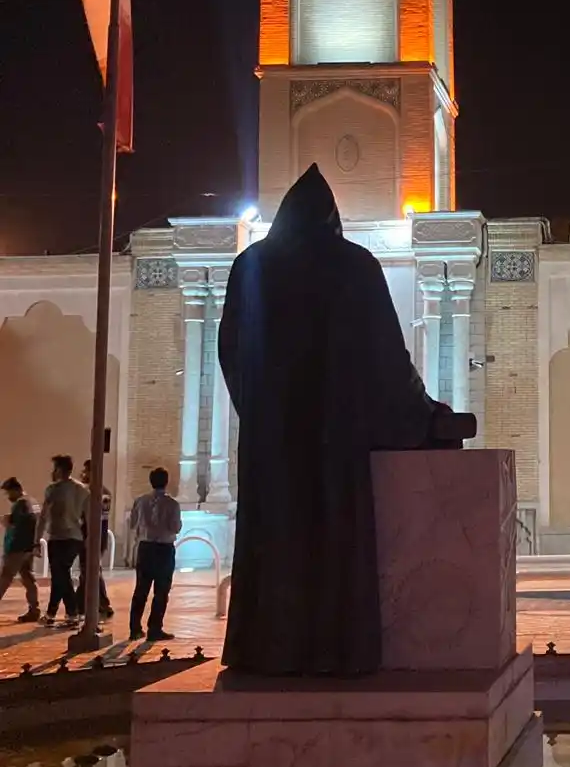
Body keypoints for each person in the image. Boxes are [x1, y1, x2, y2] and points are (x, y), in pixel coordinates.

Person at [217, 164, 455, 676]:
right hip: (335, 443)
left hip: (273, 448)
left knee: (274, 539)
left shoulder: (251, 265)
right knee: (334, 541)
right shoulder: (355, 266)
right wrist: (422, 414)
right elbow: (387, 361)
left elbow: (231, 354)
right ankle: (335, 653)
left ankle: (264, 653)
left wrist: (264, 415)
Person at [127, 467, 182, 641]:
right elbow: (175, 527)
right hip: (164, 550)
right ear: (166, 482)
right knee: (161, 591)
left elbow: (132, 524)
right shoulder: (172, 504)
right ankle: (154, 628)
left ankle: (134, 628)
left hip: (145, 547)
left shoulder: (140, 501)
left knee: (141, 589)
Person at [36, 455, 87, 626]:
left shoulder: (53, 489)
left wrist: (37, 539)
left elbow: (43, 517)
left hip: (58, 537)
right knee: (60, 574)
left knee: (61, 574)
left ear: (60, 469)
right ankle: (51, 613)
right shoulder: (82, 489)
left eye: (55, 468)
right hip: (76, 537)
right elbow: (88, 517)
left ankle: (73, 613)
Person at [78, 459, 115, 621]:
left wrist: (90, 537)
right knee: (88, 572)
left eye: (86, 471)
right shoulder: (97, 491)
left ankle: (102, 604)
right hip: (92, 536)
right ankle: (82, 604)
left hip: (92, 537)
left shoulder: (99, 493)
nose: (84, 474)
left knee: (91, 571)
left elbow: (98, 519)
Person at [0, 477, 41, 622]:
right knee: (28, 578)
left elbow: (15, 523)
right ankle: (34, 609)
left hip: (17, 547)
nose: (8, 496)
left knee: (4, 578)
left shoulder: (21, 503)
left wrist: (7, 521)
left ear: (16, 489)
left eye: (9, 492)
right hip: (28, 547)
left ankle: (34, 609)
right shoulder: (32, 502)